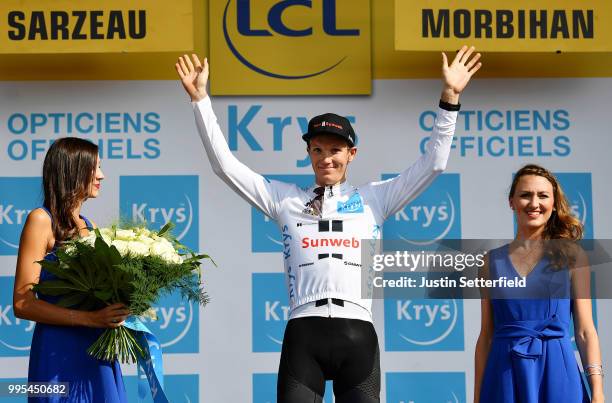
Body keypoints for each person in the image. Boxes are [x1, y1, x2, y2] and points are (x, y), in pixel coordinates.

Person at [176, 46, 481, 403]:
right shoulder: (285, 199)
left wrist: (450, 97)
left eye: (335, 150)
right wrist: (201, 101)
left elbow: (433, 164)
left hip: (359, 334)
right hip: (304, 333)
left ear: (352, 154)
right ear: (308, 153)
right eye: (317, 149)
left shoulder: (375, 199)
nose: (326, 158)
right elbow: (225, 166)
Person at [474, 164, 604, 403]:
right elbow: (486, 336)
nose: (534, 203)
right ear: (511, 202)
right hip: (504, 374)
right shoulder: (490, 262)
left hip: (558, 371)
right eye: (525, 195)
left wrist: (597, 390)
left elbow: (585, 331)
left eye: (543, 195)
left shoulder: (573, 256)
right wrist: (477, 397)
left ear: (554, 204)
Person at [13, 137, 130, 402]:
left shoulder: (89, 226)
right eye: (95, 167)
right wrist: (91, 319)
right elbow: (22, 303)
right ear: (73, 170)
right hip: (57, 353)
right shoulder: (41, 220)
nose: (102, 175)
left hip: (98, 350)